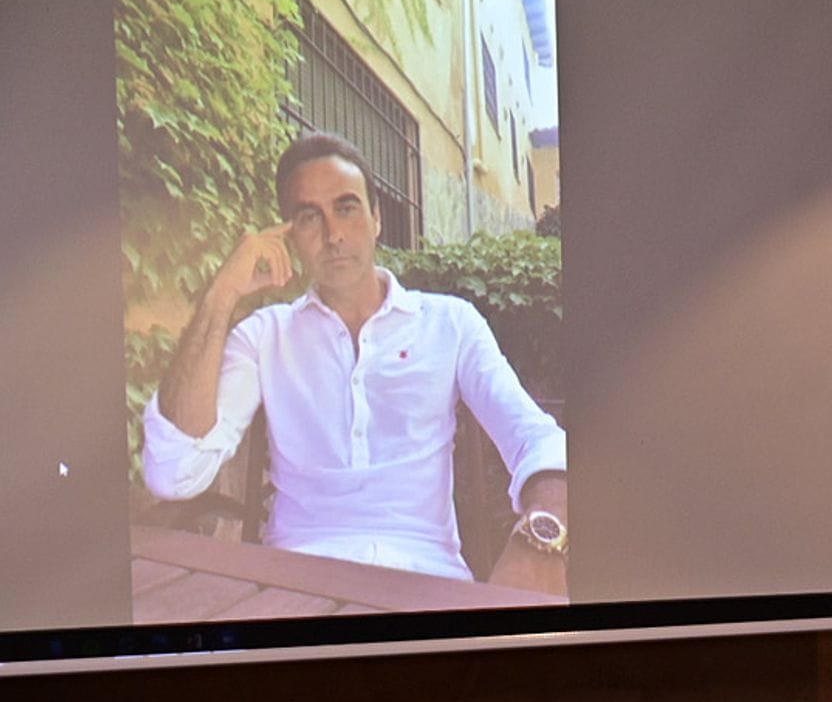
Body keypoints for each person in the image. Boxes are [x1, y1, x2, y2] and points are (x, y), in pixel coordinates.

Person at [142, 132, 568, 592]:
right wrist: (220, 295)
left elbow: (535, 437)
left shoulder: (449, 323)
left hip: (427, 581)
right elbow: (173, 474)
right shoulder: (265, 335)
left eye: (346, 208)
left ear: (376, 218)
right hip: (294, 586)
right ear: (288, 236)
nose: (334, 235)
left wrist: (541, 537)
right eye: (309, 217)